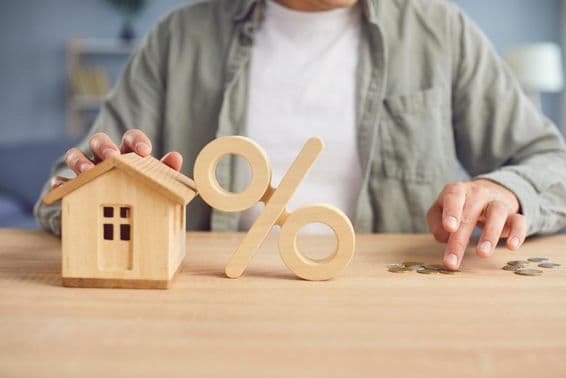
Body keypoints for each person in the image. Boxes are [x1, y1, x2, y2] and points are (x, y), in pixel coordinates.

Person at [35, 0, 566, 271]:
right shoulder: (177, 39)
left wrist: (510, 189)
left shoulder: (442, 31)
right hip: (210, 316)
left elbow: (550, 160)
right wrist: (104, 183)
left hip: (393, 315)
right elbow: (61, 194)